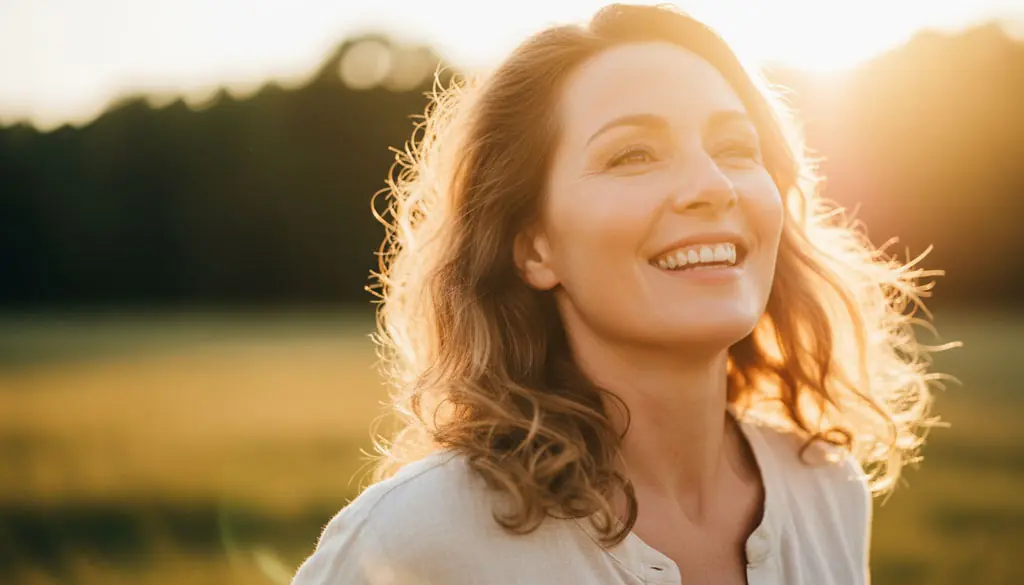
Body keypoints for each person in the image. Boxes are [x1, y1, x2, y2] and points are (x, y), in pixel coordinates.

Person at [292, 4, 945, 584]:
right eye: (633, 155)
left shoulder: (829, 489)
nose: (712, 185)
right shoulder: (419, 537)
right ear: (533, 247)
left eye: (735, 148)